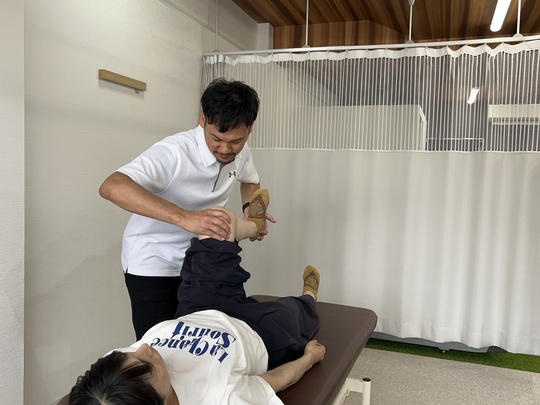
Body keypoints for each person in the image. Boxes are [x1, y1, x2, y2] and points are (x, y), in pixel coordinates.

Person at [69, 190, 325, 405]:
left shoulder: (110, 376)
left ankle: (254, 225)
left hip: (197, 309)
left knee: (217, 221)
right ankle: (309, 296)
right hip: (258, 331)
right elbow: (274, 380)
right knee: (296, 309)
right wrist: (309, 358)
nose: (144, 348)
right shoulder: (217, 397)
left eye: (130, 355)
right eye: (146, 364)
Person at [99, 78, 276, 339]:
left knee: (200, 341)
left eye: (236, 141)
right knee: (159, 348)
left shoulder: (240, 151)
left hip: (198, 261)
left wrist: (250, 210)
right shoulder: (173, 153)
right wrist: (185, 218)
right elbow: (112, 186)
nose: (225, 149)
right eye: (216, 139)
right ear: (203, 118)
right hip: (153, 261)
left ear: (250, 128)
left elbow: (250, 180)